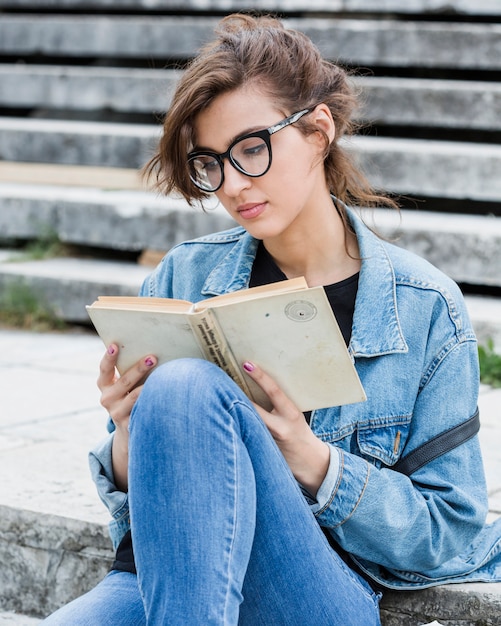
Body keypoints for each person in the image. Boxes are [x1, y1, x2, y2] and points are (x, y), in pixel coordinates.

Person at [42, 13, 501, 625]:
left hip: (311, 588)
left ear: (318, 130)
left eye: (252, 149)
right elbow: (140, 521)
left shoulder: (422, 308)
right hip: (164, 579)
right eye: (211, 163)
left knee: (185, 384)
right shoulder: (183, 279)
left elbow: (451, 532)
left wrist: (311, 460)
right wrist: (129, 431)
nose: (231, 184)